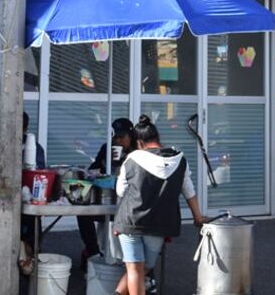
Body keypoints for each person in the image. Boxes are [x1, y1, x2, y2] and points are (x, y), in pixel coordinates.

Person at [113, 114, 204, 295]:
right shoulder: (179, 160)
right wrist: (198, 217)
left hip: (130, 220)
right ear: (157, 138)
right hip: (159, 225)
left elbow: (120, 192)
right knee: (145, 267)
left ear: (138, 142)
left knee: (134, 269)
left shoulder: (132, 159)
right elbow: (189, 191)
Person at [79, 117, 135, 268]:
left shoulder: (137, 153)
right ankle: (93, 252)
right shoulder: (107, 148)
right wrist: (96, 170)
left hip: (128, 203)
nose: (117, 140)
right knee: (83, 212)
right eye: (114, 136)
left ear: (131, 136)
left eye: (121, 137)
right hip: (105, 198)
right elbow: (94, 168)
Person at [19, 112, 46, 276]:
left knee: (33, 237)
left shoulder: (35, 148)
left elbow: (39, 174)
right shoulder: (0, 144)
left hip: (29, 199)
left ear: (25, 128)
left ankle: (32, 263)